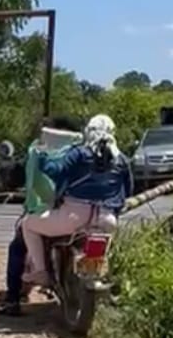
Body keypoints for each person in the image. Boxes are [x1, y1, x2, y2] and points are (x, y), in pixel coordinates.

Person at [21, 114, 132, 287]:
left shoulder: (80, 153)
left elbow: (55, 171)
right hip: (107, 219)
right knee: (100, 254)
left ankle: (41, 272)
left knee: (28, 224)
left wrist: (41, 156)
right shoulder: (122, 159)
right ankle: (95, 275)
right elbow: (128, 189)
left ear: (88, 131)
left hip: (74, 217)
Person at [0, 116, 83, 316]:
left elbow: (24, 178)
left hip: (50, 212)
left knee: (18, 245)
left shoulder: (39, 152)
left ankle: (13, 299)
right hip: (87, 215)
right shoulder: (82, 152)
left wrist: (4, 163)